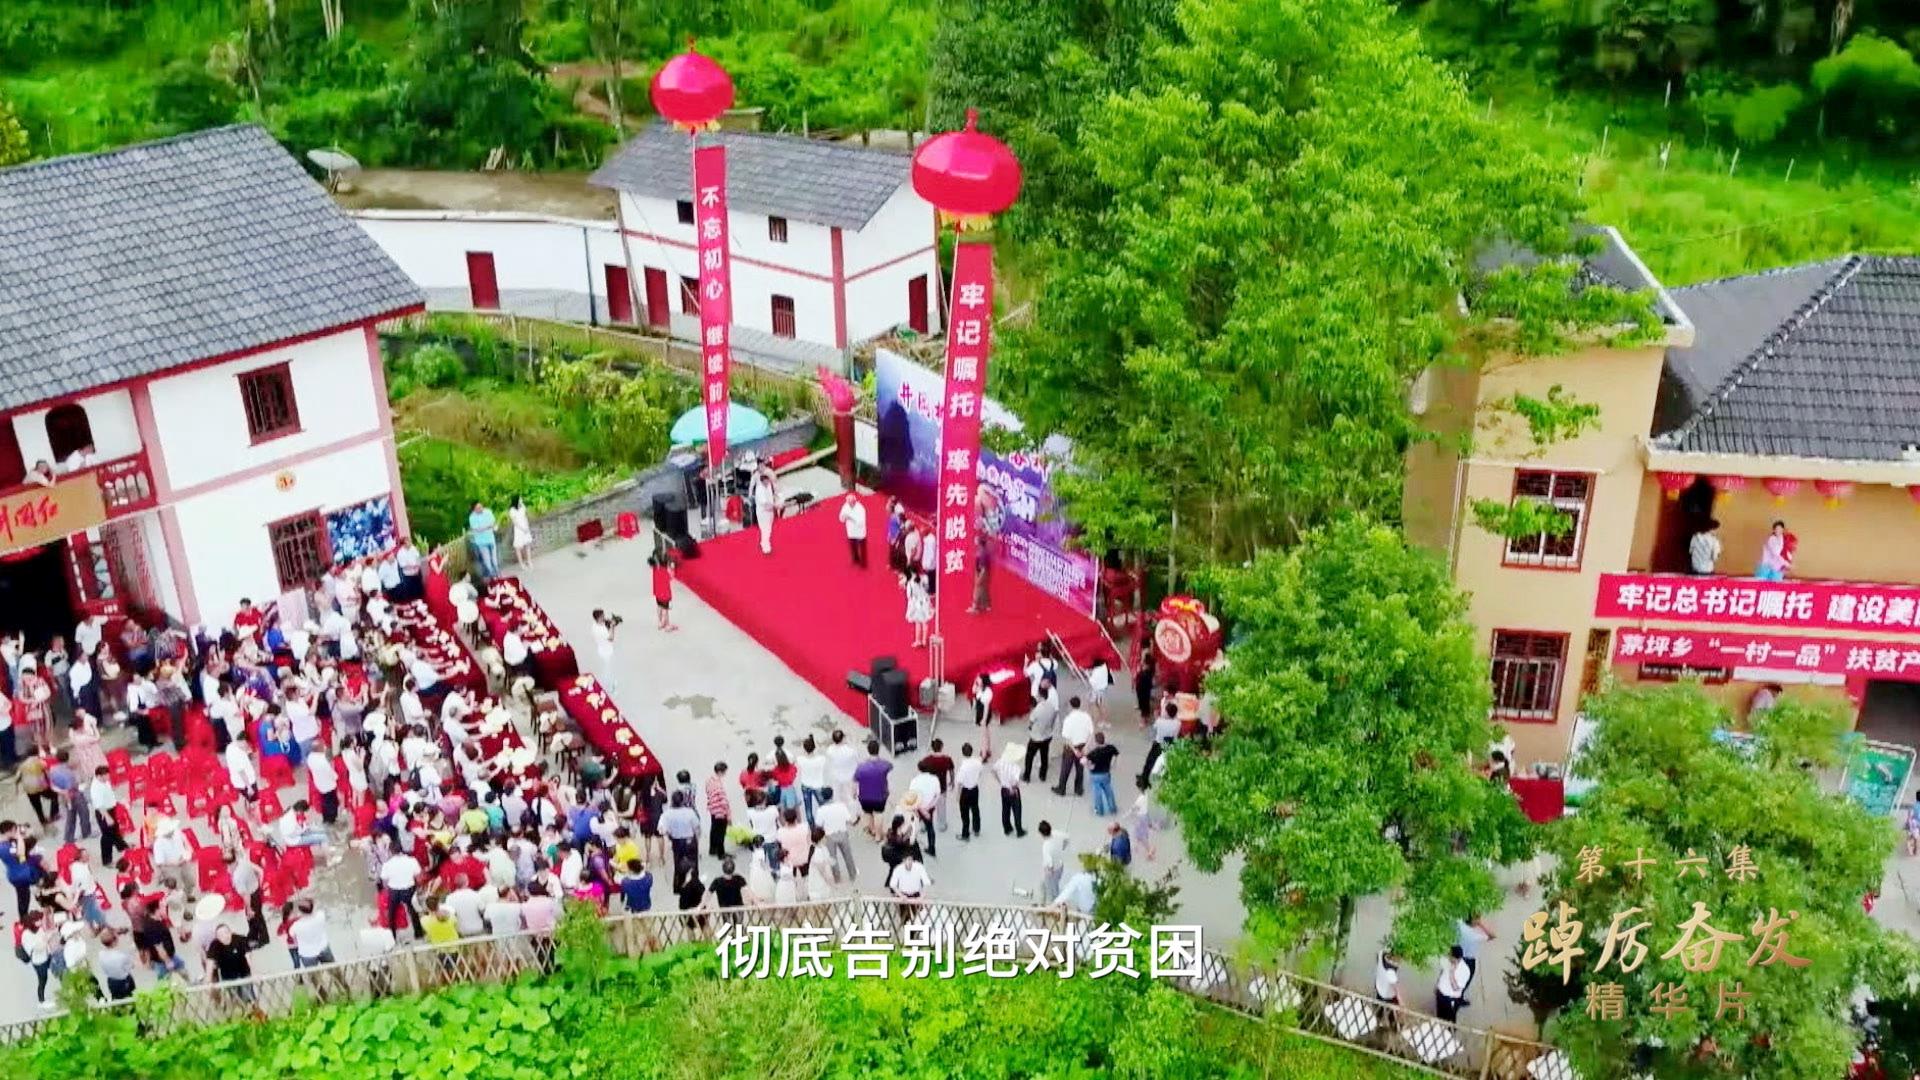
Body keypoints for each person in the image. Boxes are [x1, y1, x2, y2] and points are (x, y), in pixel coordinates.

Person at [1053, 697, 1094, 798]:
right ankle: (1078, 789)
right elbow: (1091, 733)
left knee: (1065, 769)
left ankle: (1061, 788)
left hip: (1071, 748)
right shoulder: (1086, 717)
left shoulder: (1068, 719)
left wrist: (1074, 750)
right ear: (1080, 705)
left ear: (1071, 706)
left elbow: (1066, 738)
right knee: (1080, 768)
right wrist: (1086, 747)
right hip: (1082, 745)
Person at [853, 740, 893, 841]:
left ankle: (872, 829)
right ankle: (878, 836)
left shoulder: (861, 767)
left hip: (864, 797)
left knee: (868, 813)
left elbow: (854, 781)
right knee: (878, 814)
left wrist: (854, 793)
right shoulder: (884, 765)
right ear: (878, 750)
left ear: (868, 750)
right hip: (880, 796)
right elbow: (890, 766)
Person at [1138, 699, 1180, 790]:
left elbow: (1154, 729)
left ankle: (1144, 778)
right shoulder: (1177, 723)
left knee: (1150, 761)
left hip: (1159, 744)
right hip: (1170, 744)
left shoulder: (1160, 721)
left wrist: (1156, 717)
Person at [815, 791, 855, 884]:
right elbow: (849, 819)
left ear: (822, 797)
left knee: (833, 858)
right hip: (842, 833)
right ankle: (852, 875)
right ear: (832, 795)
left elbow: (818, 824)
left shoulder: (821, 810)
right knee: (848, 855)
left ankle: (837, 878)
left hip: (829, 836)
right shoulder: (841, 806)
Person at [1025, 682, 1058, 783]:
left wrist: (1030, 727)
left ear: (1040, 696)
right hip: (1047, 736)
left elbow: (1031, 721)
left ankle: (1027, 776)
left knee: (1029, 756)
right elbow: (1053, 719)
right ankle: (1043, 775)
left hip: (1036, 737)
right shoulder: (1051, 707)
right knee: (1044, 756)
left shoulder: (1037, 709)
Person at [204, 923, 255, 987]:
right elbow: (210, 963)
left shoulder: (240, 940)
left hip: (244, 974)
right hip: (227, 977)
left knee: (246, 991)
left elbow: (249, 957)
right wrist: (208, 981)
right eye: (221, 935)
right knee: (230, 992)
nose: (225, 936)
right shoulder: (215, 945)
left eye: (226, 933)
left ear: (231, 932)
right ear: (217, 938)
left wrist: (254, 974)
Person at [1086, 732, 1120, 816]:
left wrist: (1089, 767)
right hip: (1106, 774)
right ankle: (1113, 808)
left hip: (1095, 775)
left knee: (1097, 793)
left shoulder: (1094, 753)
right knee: (1109, 791)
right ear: (1104, 739)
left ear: (1096, 741)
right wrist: (1113, 765)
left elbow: (1086, 761)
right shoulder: (1110, 748)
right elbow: (1116, 755)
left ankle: (1099, 810)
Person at [995, 744, 1026, 837]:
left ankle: (1007, 828)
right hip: (1013, 791)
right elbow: (1015, 782)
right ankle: (1019, 830)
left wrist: (1000, 781)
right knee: (1017, 810)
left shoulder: (1000, 762)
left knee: (1005, 809)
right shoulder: (1016, 767)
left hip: (1004, 789)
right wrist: (1013, 789)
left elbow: (993, 771)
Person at [955, 743, 984, 842]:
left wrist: (958, 795)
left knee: (965, 814)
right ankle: (976, 829)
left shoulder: (963, 767)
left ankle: (965, 834)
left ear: (963, 753)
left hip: (965, 791)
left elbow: (959, 782)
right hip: (975, 789)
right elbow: (980, 772)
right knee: (975, 809)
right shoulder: (978, 762)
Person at [1435, 946, 1472, 1022]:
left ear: (1457, 958)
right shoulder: (1446, 961)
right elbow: (1442, 971)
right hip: (1440, 994)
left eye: (1450, 955)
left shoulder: (1464, 970)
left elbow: (1455, 988)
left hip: (1450, 999)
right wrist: (1437, 984)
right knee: (1439, 1015)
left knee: (1449, 1018)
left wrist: (1452, 973)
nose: (1448, 956)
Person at [704, 761, 733, 859]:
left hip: (713, 809)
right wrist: (728, 816)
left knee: (714, 830)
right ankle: (721, 853)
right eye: (724, 772)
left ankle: (713, 849)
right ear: (720, 772)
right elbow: (724, 802)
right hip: (720, 811)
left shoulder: (709, 780)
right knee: (721, 832)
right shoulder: (719, 785)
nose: (725, 774)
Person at [1456, 914, 1496, 980]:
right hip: (1468, 961)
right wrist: (1481, 924)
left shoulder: (1460, 926)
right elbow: (1492, 936)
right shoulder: (1475, 936)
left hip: (1456, 958)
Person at [468, 501, 500, 580]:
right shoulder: (472, 517)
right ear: (474, 509)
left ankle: (498, 575)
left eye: (481, 506)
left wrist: (485, 527)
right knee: (487, 561)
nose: (480, 508)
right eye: (478, 508)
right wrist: (488, 526)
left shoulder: (488, 512)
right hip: (481, 542)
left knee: (494, 559)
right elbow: (477, 529)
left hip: (490, 539)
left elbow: (493, 523)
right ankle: (493, 577)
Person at [590, 609, 619, 692]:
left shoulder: (594, 626)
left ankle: (606, 683)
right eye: (602, 616)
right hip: (607, 651)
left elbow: (605, 624)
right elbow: (611, 638)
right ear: (598, 618)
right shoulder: (601, 630)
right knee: (608, 669)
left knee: (606, 667)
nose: (604, 617)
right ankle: (609, 686)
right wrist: (612, 627)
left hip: (600, 649)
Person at [902, 570, 933, 649]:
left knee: (918, 622)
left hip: (916, 604)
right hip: (925, 602)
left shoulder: (910, 582)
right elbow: (928, 590)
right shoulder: (925, 578)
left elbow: (909, 595)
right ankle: (924, 641)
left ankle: (918, 640)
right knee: (924, 622)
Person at [1038, 821, 1068, 901]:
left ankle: (1056, 901)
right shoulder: (1057, 833)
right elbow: (1067, 838)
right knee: (1047, 883)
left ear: (1042, 834)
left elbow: (1049, 863)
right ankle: (1046, 890)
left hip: (1053, 870)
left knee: (1053, 888)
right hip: (1060, 865)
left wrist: (1049, 872)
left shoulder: (1046, 846)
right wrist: (1063, 847)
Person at [751, 467, 778, 555]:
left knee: (769, 529)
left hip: (770, 511)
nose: (768, 482)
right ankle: (765, 546)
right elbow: (764, 503)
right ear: (763, 481)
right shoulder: (759, 490)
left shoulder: (769, 486)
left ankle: (764, 542)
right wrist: (775, 506)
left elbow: (771, 498)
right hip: (762, 512)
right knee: (765, 529)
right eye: (767, 480)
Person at [838, 490, 868, 568]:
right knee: (853, 547)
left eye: (851, 502)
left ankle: (863, 563)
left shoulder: (861, 508)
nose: (849, 504)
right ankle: (855, 559)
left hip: (860, 532)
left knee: (862, 549)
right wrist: (844, 517)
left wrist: (851, 518)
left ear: (854, 501)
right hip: (851, 531)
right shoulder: (845, 506)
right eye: (848, 502)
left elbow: (861, 522)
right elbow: (841, 518)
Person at [650, 554, 678, 632]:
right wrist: (672, 569)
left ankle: (660, 623)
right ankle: (665, 625)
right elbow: (670, 577)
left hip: (657, 592)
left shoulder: (655, 568)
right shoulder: (665, 570)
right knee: (665, 609)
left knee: (659, 606)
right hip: (665, 593)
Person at [967, 532, 992, 614]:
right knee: (983, 588)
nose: (975, 540)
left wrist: (980, 576)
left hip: (982, 572)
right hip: (982, 571)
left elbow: (983, 567)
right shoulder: (982, 550)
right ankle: (986, 605)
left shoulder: (982, 552)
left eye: (977, 539)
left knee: (977, 588)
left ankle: (974, 607)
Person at [509, 495, 534, 567]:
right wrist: (522, 528)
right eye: (520, 499)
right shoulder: (512, 510)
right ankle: (521, 563)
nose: (521, 500)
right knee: (518, 547)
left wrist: (527, 526)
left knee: (527, 545)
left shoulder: (523, 507)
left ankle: (529, 561)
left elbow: (525, 516)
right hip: (518, 529)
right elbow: (515, 522)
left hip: (525, 527)